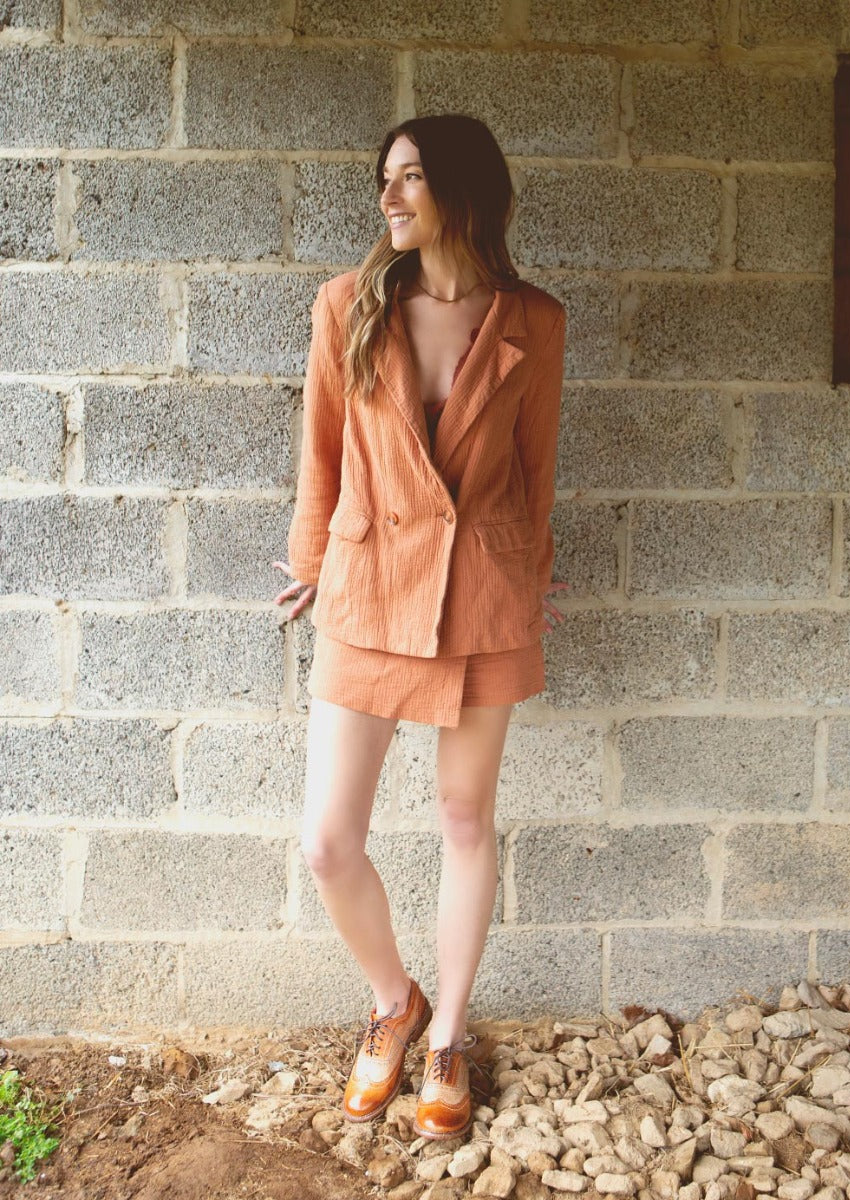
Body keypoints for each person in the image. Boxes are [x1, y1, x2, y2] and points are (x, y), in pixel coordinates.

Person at [271, 113, 568, 1141]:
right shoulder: (345, 305)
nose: (387, 198)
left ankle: (445, 1034)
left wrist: (533, 578)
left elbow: (535, 469)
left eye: (408, 179)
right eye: (383, 179)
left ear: (461, 189)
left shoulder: (534, 318)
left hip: (483, 593)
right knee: (325, 841)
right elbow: (319, 449)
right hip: (365, 585)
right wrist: (310, 564)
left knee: (461, 821)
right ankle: (390, 1000)